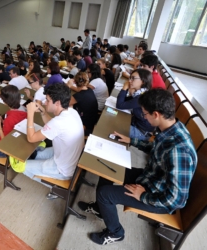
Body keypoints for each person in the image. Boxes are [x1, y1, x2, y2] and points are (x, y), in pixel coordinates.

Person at [78, 88, 197, 245]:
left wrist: (143, 196)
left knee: (104, 194)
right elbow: (157, 149)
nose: (143, 117)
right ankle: (102, 209)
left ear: (156, 114)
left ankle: (116, 232)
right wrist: (131, 141)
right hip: (152, 177)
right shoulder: (172, 128)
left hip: (158, 197)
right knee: (107, 169)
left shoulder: (178, 150)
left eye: (145, 114)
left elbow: (176, 200)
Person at [23, 84, 84, 199]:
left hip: (63, 169)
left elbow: (31, 138)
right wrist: (43, 112)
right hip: (68, 158)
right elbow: (53, 125)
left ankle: (57, 189)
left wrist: (30, 113)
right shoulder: (71, 112)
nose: (45, 102)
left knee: (22, 166)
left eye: (47, 100)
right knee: (34, 155)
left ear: (57, 103)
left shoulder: (58, 122)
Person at [116, 69, 154, 140]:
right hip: (135, 123)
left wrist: (124, 88)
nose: (130, 81)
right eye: (130, 78)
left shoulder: (142, 97)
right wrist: (129, 90)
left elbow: (119, 105)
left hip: (141, 131)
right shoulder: (140, 93)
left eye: (133, 78)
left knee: (113, 126)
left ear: (143, 81)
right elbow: (124, 101)